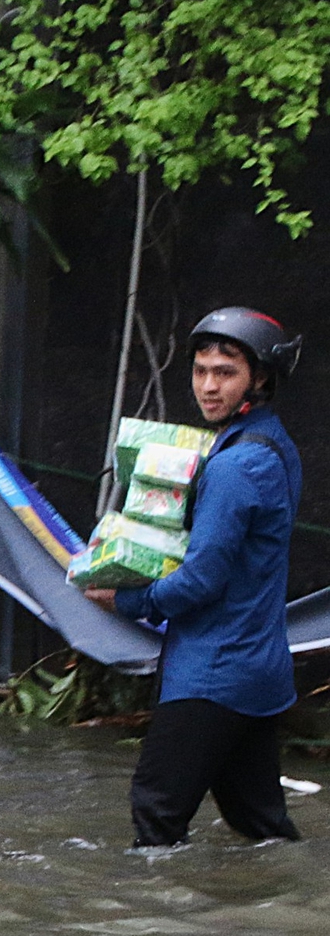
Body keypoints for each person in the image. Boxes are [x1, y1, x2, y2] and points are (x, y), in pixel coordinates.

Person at [84, 306, 304, 847]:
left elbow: (198, 582)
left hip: (213, 674)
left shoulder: (233, 466)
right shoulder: (272, 445)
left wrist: (123, 600)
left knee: (156, 813)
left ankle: (148, 928)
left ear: (261, 378)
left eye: (225, 373)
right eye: (200, 370)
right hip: (257, 670)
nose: (208, 386)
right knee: (262, 828)